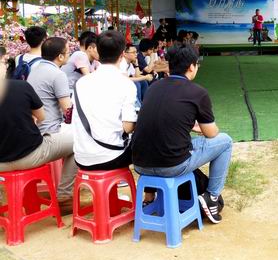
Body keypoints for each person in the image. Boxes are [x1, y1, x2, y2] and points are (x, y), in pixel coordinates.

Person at [132, 45, 233, 224]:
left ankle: (149, 197)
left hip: (140, 164)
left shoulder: (154, 87)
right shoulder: (197, 92)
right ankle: (212, 197)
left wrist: (187, 124)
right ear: (192, 67)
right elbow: (211, 133)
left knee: (163, 140)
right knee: (225, 141)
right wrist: (197, 126)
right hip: (172, 165)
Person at [0, 67, 76, 214]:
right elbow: (41, 117)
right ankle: (64, 197)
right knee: (76, 142)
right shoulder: (21, 86)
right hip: (31, 154)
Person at [72, 31, 137, 171]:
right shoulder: (126, 84)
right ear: (122, 55)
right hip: (112, 157)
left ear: (98, 52)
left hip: (81, 158)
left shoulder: (81, 83)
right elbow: (128, 127)